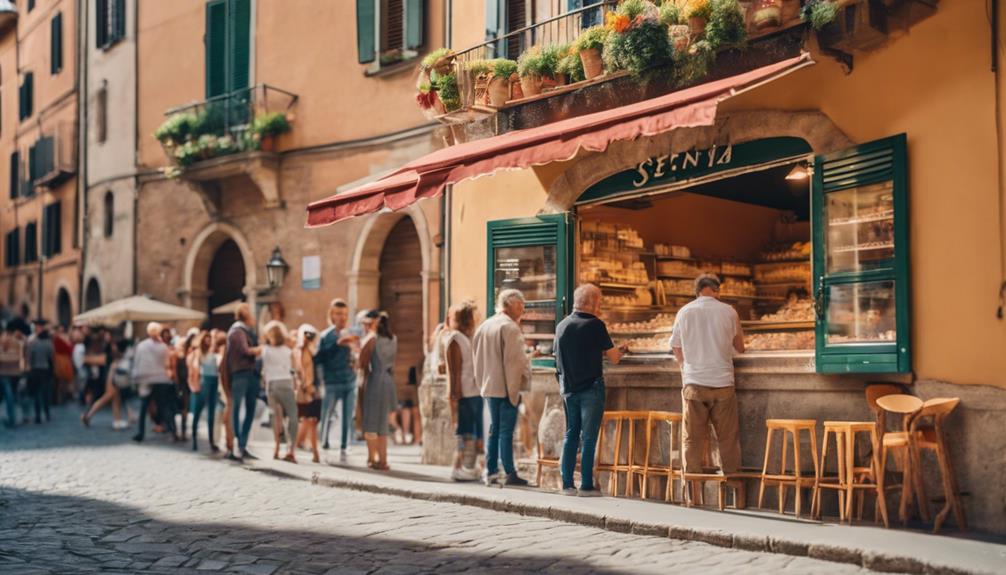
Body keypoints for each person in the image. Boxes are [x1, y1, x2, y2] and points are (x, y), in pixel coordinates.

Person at [670, 274, 745, 486]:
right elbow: (740, 347)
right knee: (728, 440)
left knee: (692, 441)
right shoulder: (729, 311)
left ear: (697, 290)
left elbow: (675, 346)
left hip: (694, 384)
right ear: (716, 290)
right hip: (723, 384)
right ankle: (735, 489)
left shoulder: (684, 312)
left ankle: (692, 492)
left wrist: (685, 366)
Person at [554, 284, 627, 496]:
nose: (600, 306)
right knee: (588, 437)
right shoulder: (596, 325)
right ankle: (586, 485)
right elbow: (614, 358)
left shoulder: (562, 325)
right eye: (599, 302)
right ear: (593, 303)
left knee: (571, 434)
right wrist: (621, 349)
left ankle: (567, 484)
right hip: (591, 389)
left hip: (568, 388)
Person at [473, 289, 532, 487]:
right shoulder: (510, 328)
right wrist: (514, 391)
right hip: (506, 387)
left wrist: (482, 383)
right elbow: (513, 363)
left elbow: (477, 359)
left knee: (494, 430)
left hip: (489, 385)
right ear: (509, 305)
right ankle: (509, 472)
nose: (522, 309)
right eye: (519, 305)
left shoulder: (485, 326)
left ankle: (491, 470)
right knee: (506, 431)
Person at [315, 298, 359, 460]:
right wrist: (337, 344)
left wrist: (355, 357)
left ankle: (344, 445)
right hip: (332, 381)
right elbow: (318, 359)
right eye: (339, 314)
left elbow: (356, 353)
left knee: (348, 415)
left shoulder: (351, 333)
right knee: (327, 413)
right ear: (332, 315)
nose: (342, 317)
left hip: (349, 380)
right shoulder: (325, 336)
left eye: (345, 314)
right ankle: (324, 443)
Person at [446, 301, 483, 482]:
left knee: (473, 431)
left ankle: (468, 466)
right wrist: (454, 394)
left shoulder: (469, 336)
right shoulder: (455, 338)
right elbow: (454, 370)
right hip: (465, 392)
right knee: (464, 431)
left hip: (474, 390)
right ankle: (458, 467)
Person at [359, 311, 397, 470]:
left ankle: (371, 458)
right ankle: (383, 460)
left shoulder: (372, 339)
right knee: (383, 423)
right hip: (388, 381)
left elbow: (362, 362)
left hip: (374, 380)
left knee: (370, 421)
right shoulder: (394, 339)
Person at [226, 304, 261, 461]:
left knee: (250, 410)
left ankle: (242, 444)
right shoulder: (237, 331)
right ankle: (236, 445)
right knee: (237, 409)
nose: (252, 315)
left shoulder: (247, 331)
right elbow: (245, 350)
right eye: (249, 312)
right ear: (244, 315)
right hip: (240, 374)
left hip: (251, 374)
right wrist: (262, 348)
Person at [132, 322, 177, 442]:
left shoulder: (141, 346)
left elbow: (137, 363)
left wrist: (136, 378)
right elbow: (167, 364)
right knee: (164, 405)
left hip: (146, 379)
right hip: (161, 379)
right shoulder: (163, 347)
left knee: (144, 407)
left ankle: (141, 433)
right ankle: (173, 431)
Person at [261, 321, 298, 462]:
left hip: (272, 385)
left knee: (276, 418)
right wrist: (295, 386)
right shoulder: (288, 351)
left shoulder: (266, 351)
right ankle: (291, 450)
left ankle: (276, 448)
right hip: (286, 383)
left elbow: (264, 372)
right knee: (293, 416)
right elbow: (293, 371)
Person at [81, 340, 135, 429]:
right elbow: (95, 360)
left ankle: (117, 420)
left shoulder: (116, 356)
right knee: (108, 398)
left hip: (114, 380)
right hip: (112, 380)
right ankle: (88, 416)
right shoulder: (112, 356)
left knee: (115, 399)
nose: (113, 347)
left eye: (114, 345)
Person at [188, 330, 223, 452]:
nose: (208, 341)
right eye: (206, 339)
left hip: (214, 383)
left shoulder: (214, 353)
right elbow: (192, 371)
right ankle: (194, 440)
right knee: (197, 413)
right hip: (204, 384)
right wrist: (193, 386)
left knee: (211, 415)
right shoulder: (197, 354)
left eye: (210, 339)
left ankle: (211, 442)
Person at [293, 324, 321, 463]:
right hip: (308, 391)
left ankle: (295, 448)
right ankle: (315, 453)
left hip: (309, 390)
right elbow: (303, 373)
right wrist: (308, 389)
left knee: (308, 421)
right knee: (311, 422)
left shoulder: (308, 350)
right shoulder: (303, 350)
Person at [25, 319, 55, 424]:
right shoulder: (49, 343)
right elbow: (51, 356)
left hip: (35, 370)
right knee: (45, 393)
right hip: (45, 370)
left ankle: (38, 416)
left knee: (37, 394)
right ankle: (46, 413)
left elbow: (29, 357)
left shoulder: (32, 343)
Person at [0, 326, 25, 428]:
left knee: (9, 397)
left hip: (5, 373)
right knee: (11, 397)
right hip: (14, 373)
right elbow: (20, 357)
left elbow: (18, 357)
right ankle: (12, 418)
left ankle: (12, 419)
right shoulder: (17, 343)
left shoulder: (10, 343)